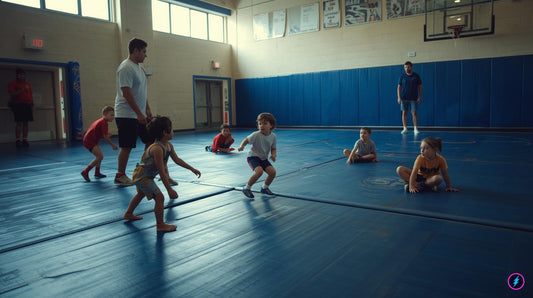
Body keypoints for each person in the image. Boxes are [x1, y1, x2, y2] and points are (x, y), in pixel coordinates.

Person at [123, 116, 201, 232]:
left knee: (141, 194)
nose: (173, 132)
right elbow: (161, 171)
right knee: (160, 198)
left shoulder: (168, 145)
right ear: (165, 132)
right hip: (142, 176)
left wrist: (192, 169)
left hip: (143, 175)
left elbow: (177, 160)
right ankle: (160, 224)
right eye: (172, 129)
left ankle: (128, 213)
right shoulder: (157, 149)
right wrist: (169, 189)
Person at [113, 38, 154, 186]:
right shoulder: (126, 67)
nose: (145, 55)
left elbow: (142, 92)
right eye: (144, 52)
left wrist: (147, 109)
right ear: (135, 51)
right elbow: (126, 93)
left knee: (150, 140)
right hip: (126, 115)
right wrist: (138, 113)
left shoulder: (140, 69)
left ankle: (143, 168)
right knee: (127, 146)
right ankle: (120, 175)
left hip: (139, 114)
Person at [238, 112, 277, 199]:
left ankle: (264, 188)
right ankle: (246, 188)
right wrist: (242, 146)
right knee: (259, 172)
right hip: (253, 157)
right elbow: (246, 140)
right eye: (260, 124)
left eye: (265, 123)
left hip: (263, 158)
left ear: (271, 125)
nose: (261, 126)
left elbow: (273, 148)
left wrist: (273, 155)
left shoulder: (273, 136)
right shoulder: (256, 135)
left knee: (272, 172)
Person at [81, 106, 118, 182]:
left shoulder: (102, 121)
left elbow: (99, 132)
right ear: (105, 114)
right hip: (89, 141)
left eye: (113, 115)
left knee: (99, 156)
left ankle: (97, 172)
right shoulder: (104, 123)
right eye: (111, 115)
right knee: (100, 156)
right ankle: (85, 172)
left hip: (90, 140)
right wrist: (113, 145)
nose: (113, 117)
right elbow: (105, 137)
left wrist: (107, 133)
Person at [8, 68, 34, 148]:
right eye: (20, 74)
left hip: (27, 104)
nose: (22, 76)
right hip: (18, 104)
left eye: (23, 74)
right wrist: (22, 90)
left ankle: (25, 139)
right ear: (17, 75)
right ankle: (18, 140)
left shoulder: (27, 84)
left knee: (26, 123)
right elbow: (13, 94)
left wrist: (32, 105)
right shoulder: (13, 84)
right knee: (19, 123)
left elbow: (30, 95)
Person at [397, 61, 422, 135]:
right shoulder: (402, 76)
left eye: (408, 67)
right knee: (404, 112)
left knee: (414, 113)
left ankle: (415, 128)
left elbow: (420, 87)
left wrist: (420, 96)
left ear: (411, 67)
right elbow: (399, 87)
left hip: (413, 98)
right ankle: (405, 128)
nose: (406, 68)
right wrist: (399, 97)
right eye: (405, 67)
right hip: (404, 98)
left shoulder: (416, 76)